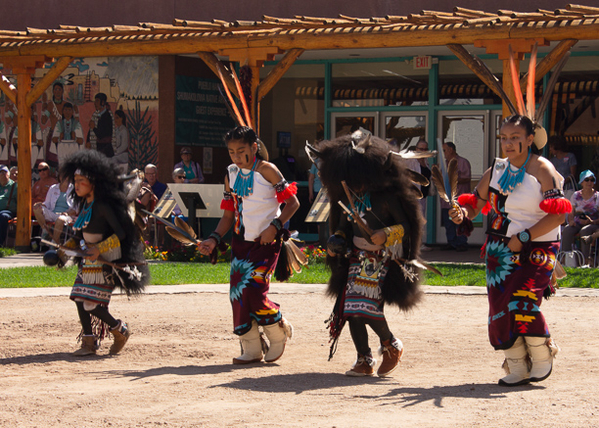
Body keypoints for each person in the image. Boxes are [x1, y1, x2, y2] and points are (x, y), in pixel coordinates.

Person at [450, 115, 570, 386]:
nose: (508, 143)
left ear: (530, 139)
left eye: (516, 137)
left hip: (537, 246)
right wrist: (462, 213)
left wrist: (524, 237)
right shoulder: (496, 170)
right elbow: (477, 203)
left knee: (522, 301)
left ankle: (542, 355)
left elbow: (558, 217)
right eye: (504, 138)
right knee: (499, 308)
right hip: (499, 251)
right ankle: (517, 364)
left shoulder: (543, 169)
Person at [307, 131, 423, 378]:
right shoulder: (345, 197)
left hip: (382, 258)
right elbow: (342, 226)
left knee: (364, 306)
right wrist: (337, 239)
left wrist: (385, 234)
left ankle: (390, 344)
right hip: (355, 257)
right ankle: (364, 359)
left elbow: (407, 227)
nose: (354, 184)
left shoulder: (387, 197)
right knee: (351, 310)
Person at [198, 126, 299, 365]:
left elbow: (292, 203)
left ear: (254, 147)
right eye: (231, 151)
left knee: (253, 289)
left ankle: (277, 329)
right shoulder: (230, 174)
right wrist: (213, 238)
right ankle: (251, 346)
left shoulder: (268, 170)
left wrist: (274, 226)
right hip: (240, 243)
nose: (235, 156)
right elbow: (228, 216)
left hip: (267, 242)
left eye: (241, 150)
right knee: (237, 295)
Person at [58, 150, 149, 356]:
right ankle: (89, 342)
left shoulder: (103, 206)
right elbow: (80, 234)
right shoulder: (86, 205)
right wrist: (64, 251)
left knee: (90, 304)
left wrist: (99, 248)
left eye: (81, 180)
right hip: (88, 261)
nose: (77, 184)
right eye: (75, 180)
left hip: (104, 261)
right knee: (79, 299)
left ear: (94, 183)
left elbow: (121, 233)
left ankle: (120, 330)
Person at [561, 169, 599, 264]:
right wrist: (571, 220)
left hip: (592, 223)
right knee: (567, 229)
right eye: (587, 180)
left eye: (592, 180)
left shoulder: (597, 196)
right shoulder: (576, 195)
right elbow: (571, 211)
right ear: (581, 182)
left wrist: (592, 222)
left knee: (585, 230)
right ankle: (566, 258)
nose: (589, 182)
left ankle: (585, 260)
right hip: (577, 222)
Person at [440, 141, 471, 252]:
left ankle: (462, 243)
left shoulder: (463, 162)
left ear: (450, 150)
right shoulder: (443, 164)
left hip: (459, 199)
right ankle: (451, 242)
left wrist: (453, 180)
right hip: (446, 200)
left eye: (444, 150)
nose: (442, 153)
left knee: (460, 221)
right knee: (448, 223)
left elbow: (467, 178)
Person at [405, 138, 434, 252]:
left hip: (423, 196)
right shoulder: (410, 161)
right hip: (413, 196)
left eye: (425, 149)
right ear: (416, 149)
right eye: (420, 149)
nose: (422, 151)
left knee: (421, 220)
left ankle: (418, 243)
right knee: (414, 219)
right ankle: (412, 244)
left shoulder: (426, 162)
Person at [32, 174, 76, 244]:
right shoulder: (53, 187)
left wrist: (67, 213)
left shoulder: (74, 189)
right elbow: (47, 203)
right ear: (59, 177)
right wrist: (40, 204)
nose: (64, 178)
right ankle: (46, 231)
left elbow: (76, 209)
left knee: (60, 219)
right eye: (63, 175)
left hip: (66, 215)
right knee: (37, 208)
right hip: (52, 212)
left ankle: (54, 242)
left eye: (66, 175)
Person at [88, 93, 114, 157]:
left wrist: (93, 128)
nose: (95, 103)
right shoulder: (97, 115)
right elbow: (91, 130)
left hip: (105, 150)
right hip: (99, 148)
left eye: (97, 101)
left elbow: (102, 135)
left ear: (102, 102)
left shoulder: (107, 116)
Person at [0, 165, 17, 245]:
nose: (3, 174)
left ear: (8, 174)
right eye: (1, 172)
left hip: (8, 211)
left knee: (3, 216)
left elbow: (20, 203)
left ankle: (1, 243)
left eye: (5, 172)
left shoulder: (14, 186)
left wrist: (19, 215)